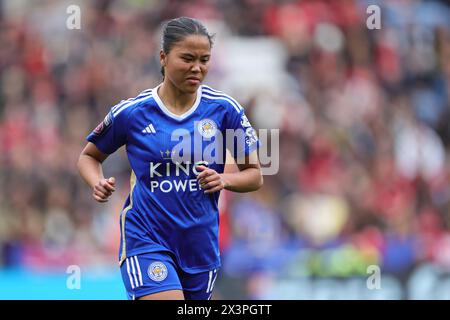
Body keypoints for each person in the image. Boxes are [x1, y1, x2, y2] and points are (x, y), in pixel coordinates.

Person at [77, 16, 263, 300]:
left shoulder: (225, 111)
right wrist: (96, 182)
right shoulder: (133, 113)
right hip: (147, 239)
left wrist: (223, 178)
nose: (197, 68)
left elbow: (255, 175)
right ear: (163, 57)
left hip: (200, 245)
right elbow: (89, 156)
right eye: (187, 58)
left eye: (204, 59)